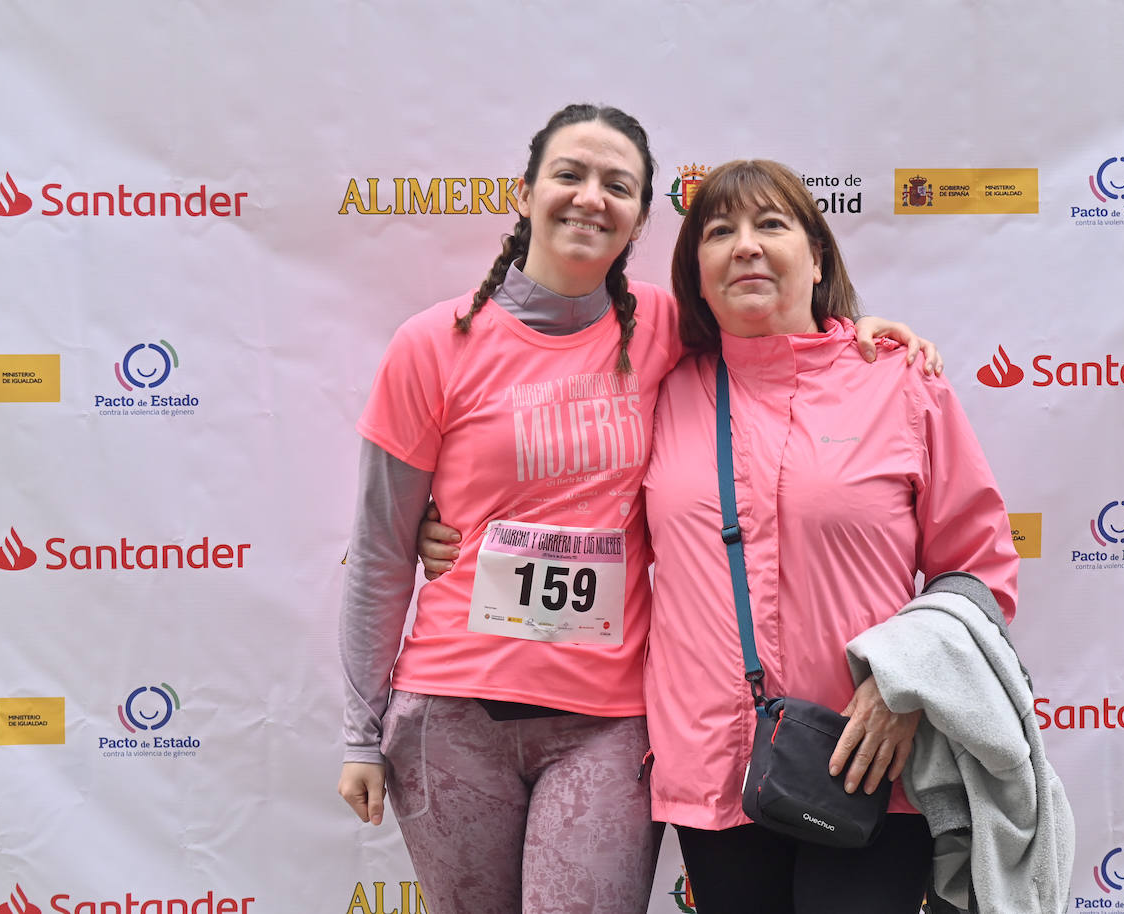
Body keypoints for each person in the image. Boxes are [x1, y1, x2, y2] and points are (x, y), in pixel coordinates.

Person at [338, 106, 940, 914]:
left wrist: (854, 335)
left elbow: (776, 341)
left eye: (616, 185)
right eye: (568, 175)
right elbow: (379, 551)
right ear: (523, 193)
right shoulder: (431, 342)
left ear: (640, 218)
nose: (590, 198)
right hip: (451, 705)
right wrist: (358, 728)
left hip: (609, 718)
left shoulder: (664, 325)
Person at [639, 159, 1019, 914]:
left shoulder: (900, 382)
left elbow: (979, 569)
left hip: (871, 760)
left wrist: (903, 686)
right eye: (720, 232)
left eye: (771, 225)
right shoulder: (660, 389)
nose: (745, 245)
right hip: (715, 767)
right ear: (698, 277)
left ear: (818, 259)